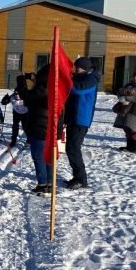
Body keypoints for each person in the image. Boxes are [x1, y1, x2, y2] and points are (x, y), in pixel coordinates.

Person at [62, 57, 100, 189]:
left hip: (81, 120)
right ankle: (77, 177)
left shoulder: (91, 80)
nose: (75, 69)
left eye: (77, 67)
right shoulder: (80, 77)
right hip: (73, 118)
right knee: (70, 149)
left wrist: (68, 80)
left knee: (73, 149)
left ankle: (81, 179)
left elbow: (78, 89)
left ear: (84, 68)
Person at [16, 66, 53, 194]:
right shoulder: (53, 89)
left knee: (39, 157)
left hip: (40, 129)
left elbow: (25, 95)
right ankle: (49, 183)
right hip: (49, 130)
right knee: (48, 157)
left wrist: (21, 79)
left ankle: (43, 184)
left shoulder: (42, 90)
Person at [113, 70, 136, 153]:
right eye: (134, 76)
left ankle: (133, 148)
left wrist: (126, 98)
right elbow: (119, 91)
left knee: (134, 129)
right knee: (127, 127)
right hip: (125, 108)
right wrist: (120, 97)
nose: (135, 78)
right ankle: (129, 146)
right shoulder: (129, 85)